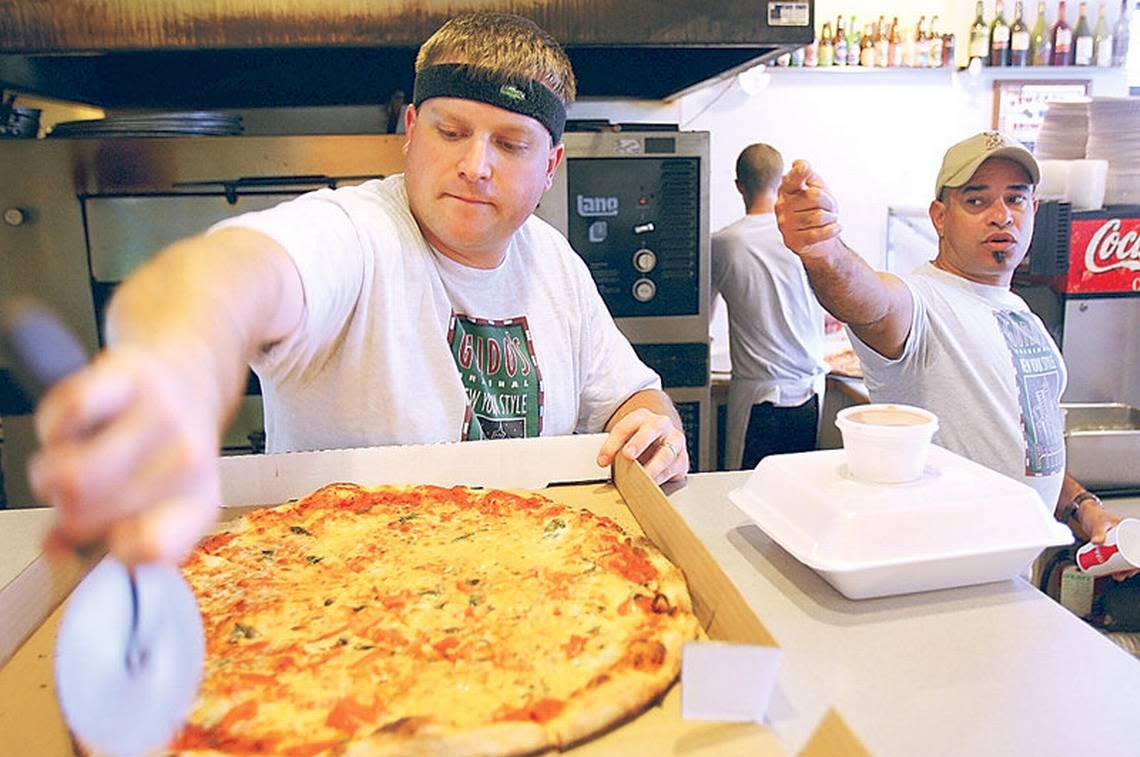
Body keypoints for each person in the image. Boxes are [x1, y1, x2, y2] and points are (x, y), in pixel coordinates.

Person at [27, 12, 688, 566]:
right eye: (450, 131)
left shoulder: (554, 262)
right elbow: (244, 268)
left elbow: (629, 392)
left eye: (510, 144)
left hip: (534, 580)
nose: (475, 166)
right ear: (409, 132)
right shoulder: (358, 233)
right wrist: (184, 345)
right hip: (347, 592)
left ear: (550, 167)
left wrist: (653, 424)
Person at [774, 130, 1132, 569]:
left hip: (1014, 573)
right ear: (940, 217)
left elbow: (1026, 449)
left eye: (1016, 199)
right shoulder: (923, 302)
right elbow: (869, 299)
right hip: (945, 570)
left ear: (1034, 210)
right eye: (977, 201)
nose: (1002, 216)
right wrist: (824, 251)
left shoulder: (1022, 316)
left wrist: (1083, 507)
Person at [710, 143, 827, 470]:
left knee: (743, 491)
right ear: (780, 183)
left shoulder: (724, 243)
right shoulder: (806, 237)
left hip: (759, 399)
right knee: (797, 493)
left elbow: (701, 319)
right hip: (811, 394)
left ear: (739, 186)